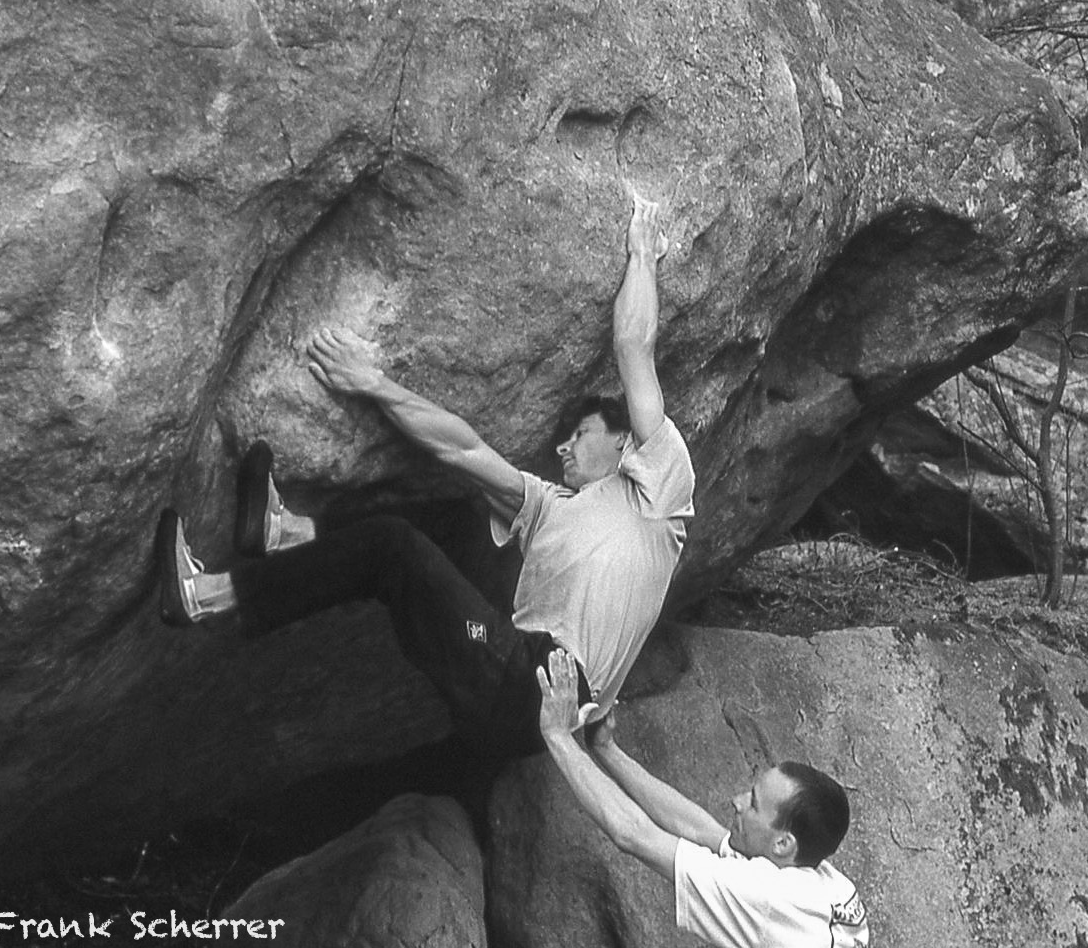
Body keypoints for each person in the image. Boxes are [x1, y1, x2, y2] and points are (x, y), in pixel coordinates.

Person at [154, 197, 694, 758]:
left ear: (624, 443)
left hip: (531, 688)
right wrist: (374, 383)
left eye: (580, 434)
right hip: (510, 669)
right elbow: (464, 449)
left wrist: (642, 254)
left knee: (393, 549)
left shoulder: (659, 490)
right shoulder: (554, 507)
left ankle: (205, 595)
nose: (563, 445)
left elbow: (634, 345)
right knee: (465, 519)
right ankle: (288, 534)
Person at [535, 648, 870, 948]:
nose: (736, 801)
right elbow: (697, 830)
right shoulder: (828, 884)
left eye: (753, 804)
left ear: (783, 844)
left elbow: (633, 835)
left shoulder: (764, 896)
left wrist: (558, 736)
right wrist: (606, 749)